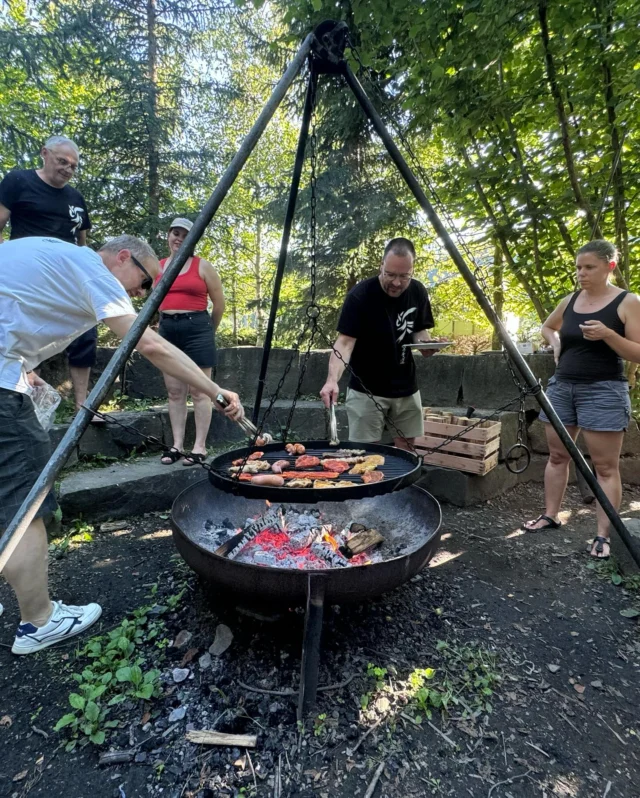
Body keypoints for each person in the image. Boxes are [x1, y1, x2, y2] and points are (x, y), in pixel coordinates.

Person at [0, 234, 243, 655]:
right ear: (124, 257)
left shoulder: (55, 257)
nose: (145, 293)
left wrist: (20, 366)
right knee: (25, 505)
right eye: (146, 282)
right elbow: (147, 343)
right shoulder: (94, 270)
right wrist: (216, 392)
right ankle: (38, 622)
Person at [522, 240, 640, 559]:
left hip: (604, 391)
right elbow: (548, 327)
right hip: (562, 388)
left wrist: (609, 335)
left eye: (589, 267)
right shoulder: (570, 300)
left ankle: (604, 536)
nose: (581, 274)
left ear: (609, 266)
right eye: (578, 267)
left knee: (604, 467)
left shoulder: (628, 302)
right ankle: (550, 515)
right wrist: (556, 342)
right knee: (558, 457)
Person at [0, 135, 98, 415]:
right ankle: (25, 401)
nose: (68, 169)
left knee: (85, 333)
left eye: (73, 166)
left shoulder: (76, 198)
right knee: (30, 335)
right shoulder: (18, 181)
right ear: (45, 153)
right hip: (28, 279)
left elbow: (83, 242)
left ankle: (83, 404)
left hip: (68, 279)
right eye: (62, 161)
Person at [319, 237, 436, 449]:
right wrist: (331, 380)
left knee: (407, 453)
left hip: (406, 388)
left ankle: (403, 485)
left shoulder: (418, 291)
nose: (397, 283)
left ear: (412, 270)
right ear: (381, 265)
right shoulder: (360, 296)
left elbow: (418, 331)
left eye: (404, 276)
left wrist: (427, 345)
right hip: (366, 389)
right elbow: (345, 343)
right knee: (365, 455)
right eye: (390, 274)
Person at [155, 218, 225, 466]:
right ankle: (176, 446)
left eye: (186, 235)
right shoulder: (159, 267)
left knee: (200, 390)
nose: (180, 239)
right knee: (175, 392)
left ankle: (199, 447)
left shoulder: (203, 266)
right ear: (168, 236)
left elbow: (219, 305)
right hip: (167, 330)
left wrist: (208, 331)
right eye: (176, 233)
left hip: (198, 329)